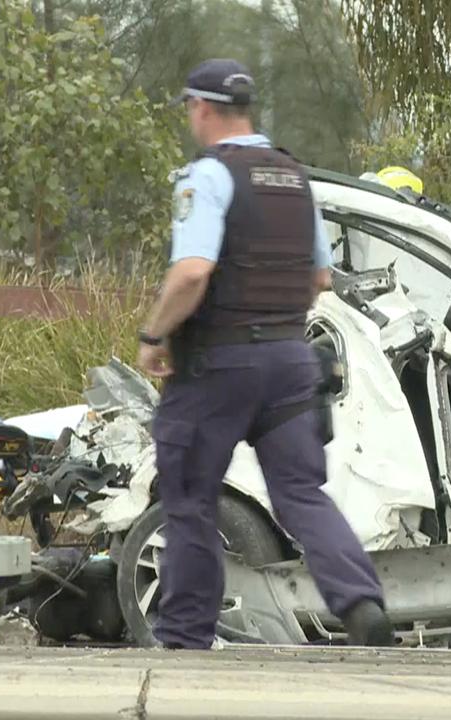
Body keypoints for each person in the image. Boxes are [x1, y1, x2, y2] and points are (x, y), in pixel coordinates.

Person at [136, 58, 392, 650]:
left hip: (217, 366)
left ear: (201, 109)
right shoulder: (295, 178)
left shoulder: (208, 176)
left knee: (190, 497)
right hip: (288, 361)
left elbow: (193, 272)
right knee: (301, 494)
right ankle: (362, 604)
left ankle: (184, 636)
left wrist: (154, 337)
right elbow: (319, 279)